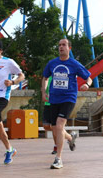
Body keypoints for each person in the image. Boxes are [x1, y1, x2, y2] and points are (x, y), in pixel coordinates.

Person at [41, 38, 92, 169]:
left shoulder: (74, 64)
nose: (61, 47)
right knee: (55, 128)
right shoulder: (52, 63)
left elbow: (89, 78)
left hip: (68, 98)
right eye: (59, 45)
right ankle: (70, 137)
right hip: (54, 99)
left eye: (63, 45)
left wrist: (86, 84)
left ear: (69, 48)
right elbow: (45, 77)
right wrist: (44, 92)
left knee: (58, 126)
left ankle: (58, 159)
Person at [42, 78, 57, 155]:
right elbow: (45, 81)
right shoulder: (48, 74)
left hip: (57, 103)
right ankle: (69, 137)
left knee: (55, 127)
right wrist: (44, 92)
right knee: (46, 126)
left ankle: (56, 146)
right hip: (48, 103)